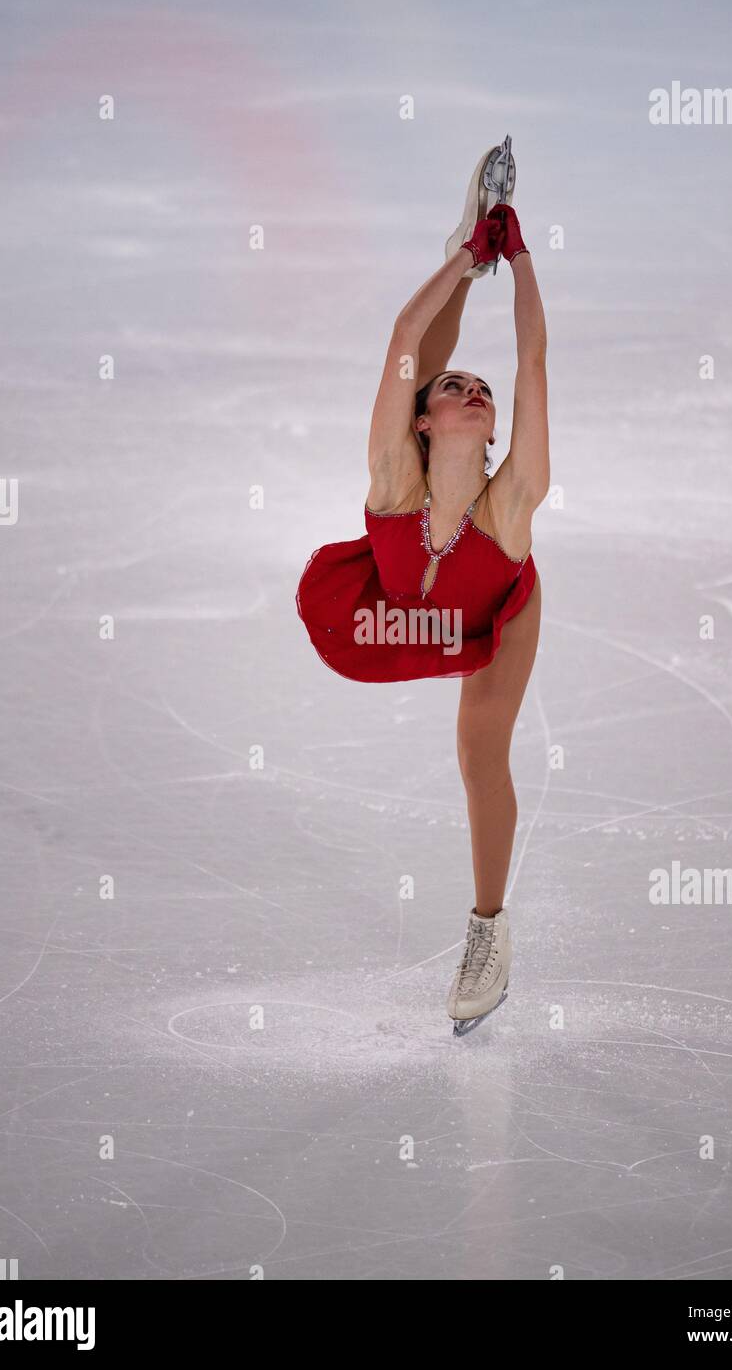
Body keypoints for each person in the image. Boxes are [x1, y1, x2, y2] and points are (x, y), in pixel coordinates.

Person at [296, 175, 549, 1035]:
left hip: (493, 611)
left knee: (480, 757)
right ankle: (458, 256)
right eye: (454, 389)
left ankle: (488, 935)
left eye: (482, 393)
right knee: (419, 352)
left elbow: (534, 366)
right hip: (401, 602)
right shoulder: (394, 482)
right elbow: (407, 342)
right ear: (427, 424)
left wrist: (516, 262)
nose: (473, 391)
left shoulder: (512, 502)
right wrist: (467, 262)